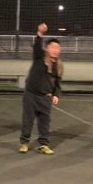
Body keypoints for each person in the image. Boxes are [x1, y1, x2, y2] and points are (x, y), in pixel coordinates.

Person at [19, 23, 63, 155]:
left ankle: (44, 144)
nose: (55, 50)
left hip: (45, 98)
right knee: (28, 120)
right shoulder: (40, 57)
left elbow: (57, 83)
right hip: (31, 95)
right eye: (52, 47)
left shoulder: (59, 66)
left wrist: (56, 95)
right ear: (47, 49)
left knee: (45, 122)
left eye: (57, 48)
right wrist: (39, 34)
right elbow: (37, 46)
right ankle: (24, 143)